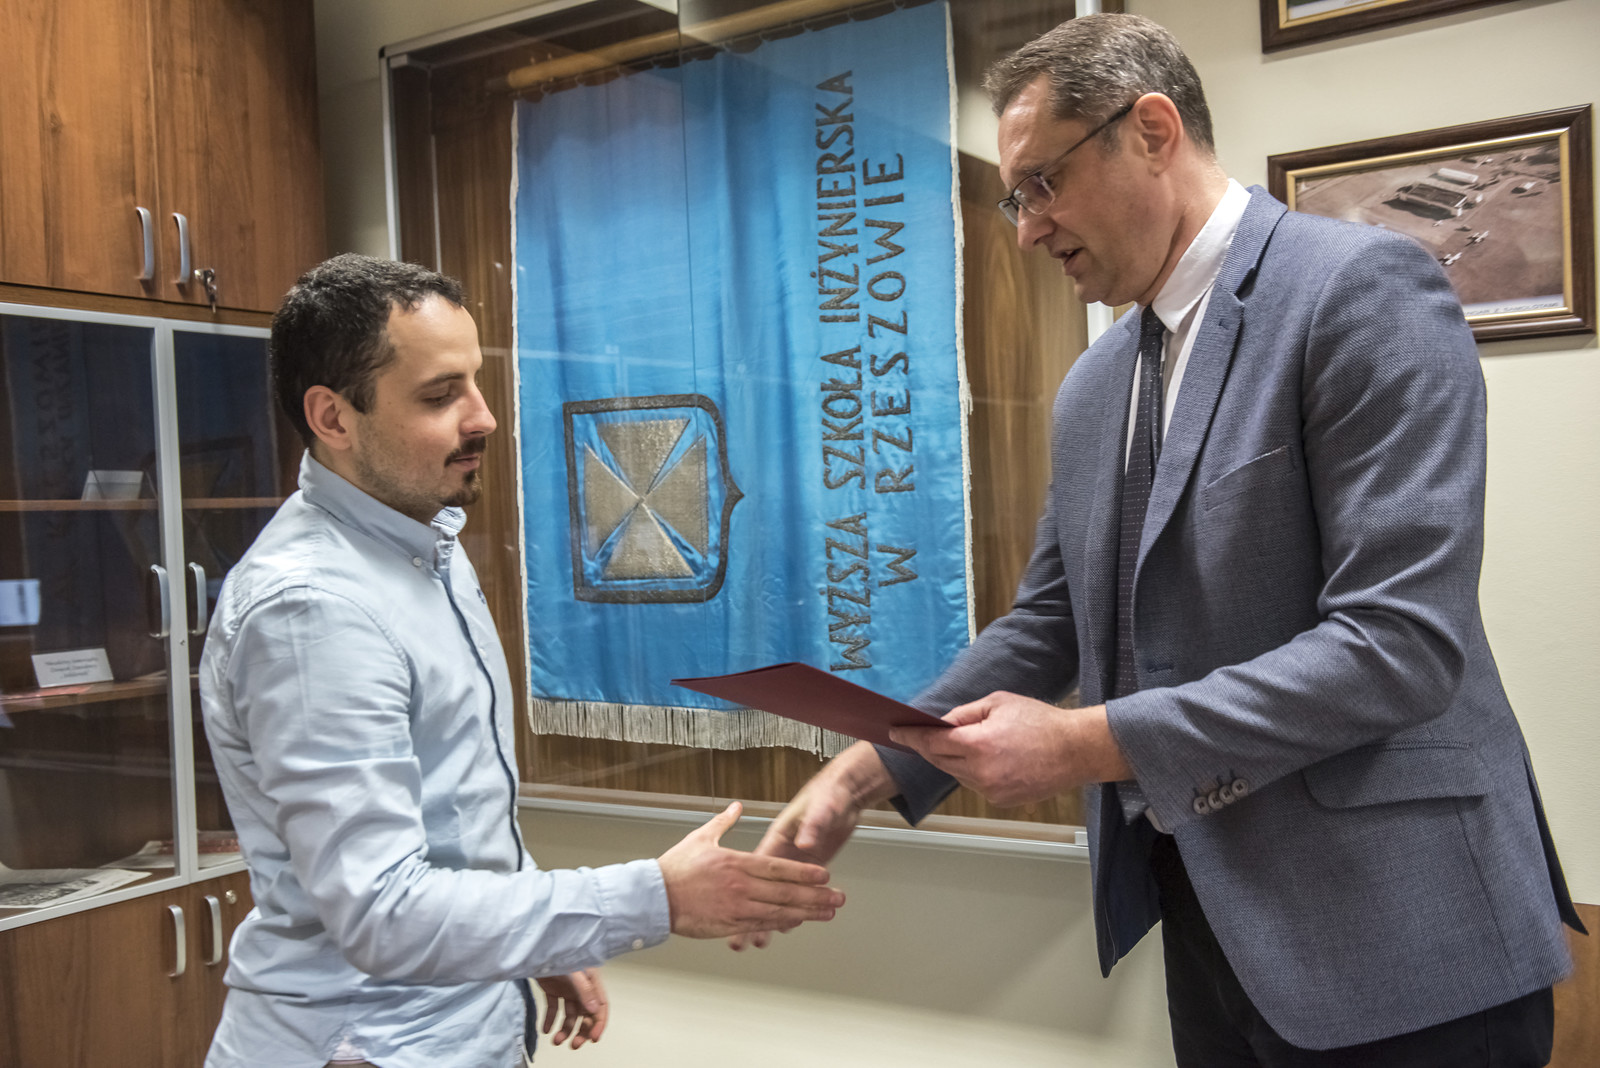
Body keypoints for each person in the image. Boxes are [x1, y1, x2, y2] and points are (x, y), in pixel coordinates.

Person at [742, 14, 1584, 1067]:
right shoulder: (1096, 383)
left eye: (1041, 184)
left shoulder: (1360, 290)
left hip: (1402, 939)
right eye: (1015, 199)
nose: (1026, 230)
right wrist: (869, 769)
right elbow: (1050, 622)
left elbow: (1398, 646)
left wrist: (1085, 744)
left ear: (1150, 131)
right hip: (1210, 926)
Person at [200, 253, 845, 1068]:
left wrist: (536, 941)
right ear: (333, 417)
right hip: (363, 1045)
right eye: (440, 395)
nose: (483, 417)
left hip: (455, 1026)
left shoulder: (422, 541)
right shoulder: (313, 611)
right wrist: (653, 897)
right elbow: (382, 912)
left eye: (474, 381)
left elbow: (451, 814)